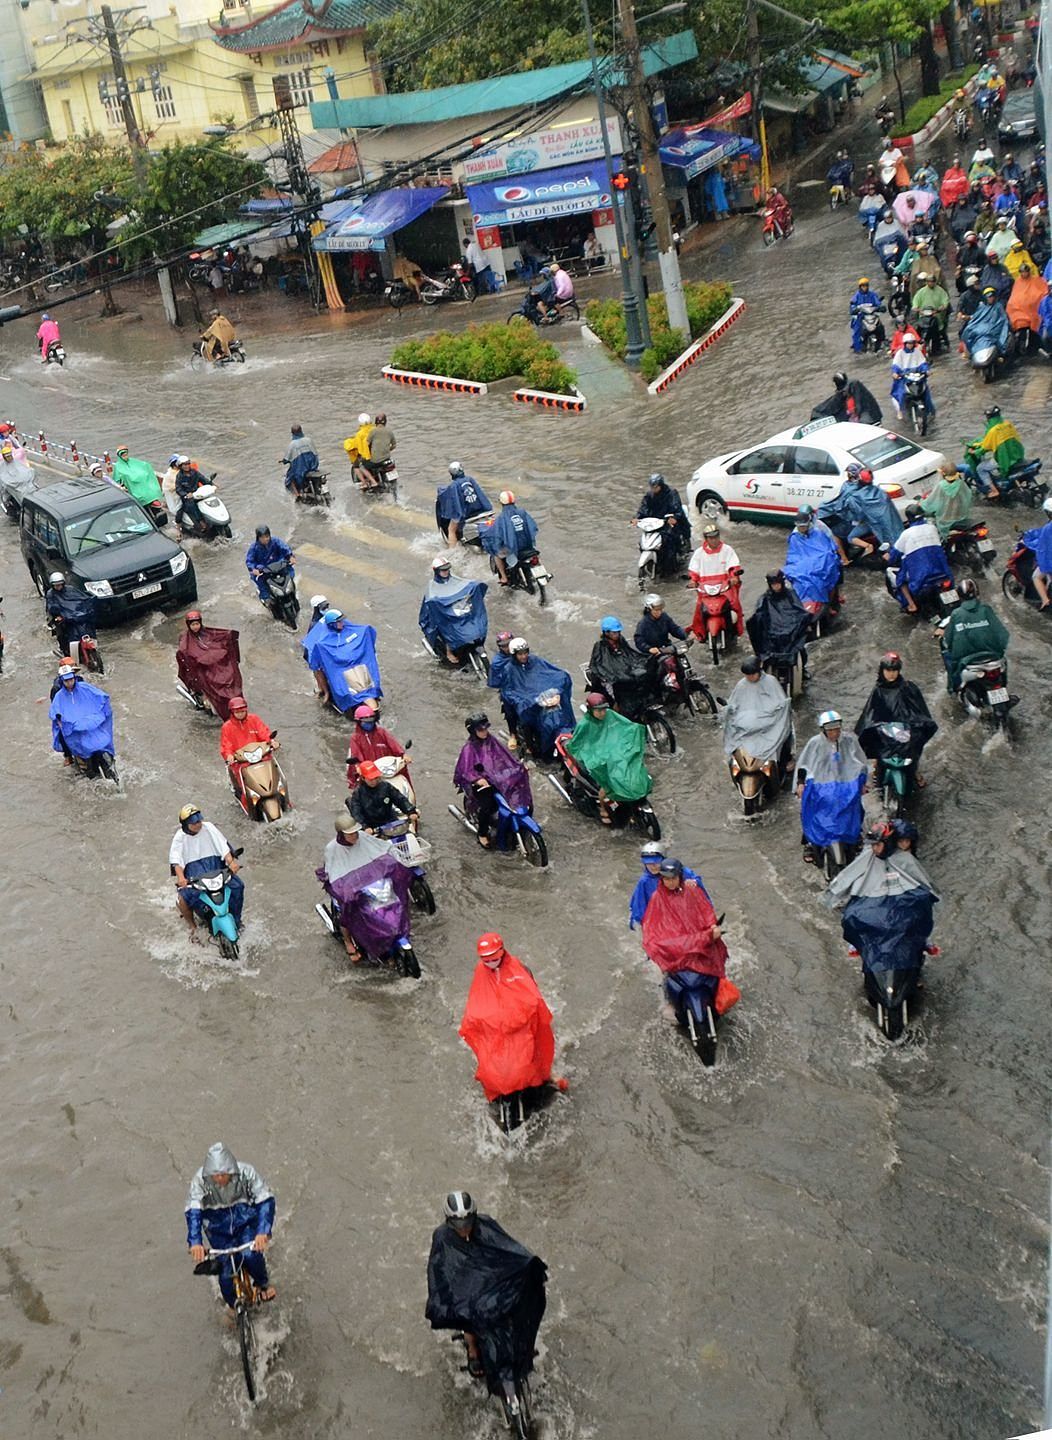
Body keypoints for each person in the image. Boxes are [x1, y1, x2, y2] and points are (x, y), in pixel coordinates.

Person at [425, 1191, 547, 1392]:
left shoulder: (487, 1226)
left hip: (489, 1282)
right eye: (458, 1225)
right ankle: (472, 1347)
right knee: (467, 1313)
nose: (463, 1229)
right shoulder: (442, 1237)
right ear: (449, 1222)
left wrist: (529, 1268)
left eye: (467, 1223)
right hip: (464, 1287)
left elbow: (510, 1249)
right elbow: (439, 1269)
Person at [460, 933, 561, 1097]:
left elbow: (533, 999)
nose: (491, 963)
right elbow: (477, 1000)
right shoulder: (481, 971)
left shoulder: (519, 969)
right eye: (486, 960)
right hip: (497, 1028)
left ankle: (546, 1077)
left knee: (534, 1053)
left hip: (521, 1025)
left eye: (494, 958)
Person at [185, 1142, 275, 1307]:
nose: (219, 1179)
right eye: (215, 1175)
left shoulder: (247, 1173)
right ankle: (234, 1308)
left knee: (251, 1256)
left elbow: (265, 1200)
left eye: (223, 1174)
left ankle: (263, 1284)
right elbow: (193, 1212)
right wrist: (195, 1242)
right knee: (226, 1274)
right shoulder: (199, 1181)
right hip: (217, 1229)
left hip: (245, 1222)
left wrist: (262, 1231)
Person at [316, 812, 411, 961]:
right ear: (341, 835)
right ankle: (349, 942)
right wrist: (344, 891)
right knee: (346, 913)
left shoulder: (363, 838)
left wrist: (396, 862)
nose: (355, 836)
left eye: (355, 832)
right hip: (351, 891)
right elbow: (334, 874)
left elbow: (383, 848)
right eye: (350, 834)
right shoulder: (332, 849)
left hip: (371, 885)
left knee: (394, 900)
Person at [640, 859, 729, 1017]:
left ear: (680, 876)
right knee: (664, 973)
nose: (670, 882)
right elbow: (652, 928)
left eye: (673, 878)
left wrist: (712, 927)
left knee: (716, 959)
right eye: (666, 879)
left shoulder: (692, 891)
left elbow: (706, 911)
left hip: (697, 944)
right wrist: (656, 946)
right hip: (676, 949)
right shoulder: (656, 899)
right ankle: (669, 1000)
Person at [565, 692, 652, 824]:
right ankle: (603, 808)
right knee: (605, 788)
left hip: (614, 754)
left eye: (604, 709)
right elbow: (576, 745)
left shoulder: (611, 715)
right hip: (597, 758)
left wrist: (637, 732)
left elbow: (627, 727)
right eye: (598, 711)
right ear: (590, 710)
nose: (602, 713)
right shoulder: (585, 725)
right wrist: (592, 756)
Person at [795, 710, 868, 864]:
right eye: (830, 730)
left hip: (845, 785)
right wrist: (801, 784)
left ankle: (856, 834)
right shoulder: (815, 743)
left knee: (855, 808)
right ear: (823, 730)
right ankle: (808, 842)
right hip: (820, 786)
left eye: (837, 729)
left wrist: (863, 783)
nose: (834, 733)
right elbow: (804, 765)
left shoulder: (849, 741)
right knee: (808, 810)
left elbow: (860, 762)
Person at [453, 714, 533, 846]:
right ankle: (482, 833)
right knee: (487, 806)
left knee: (518, 792)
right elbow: (466, 770)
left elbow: (506, 758)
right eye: (480, 730)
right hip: (482, 783)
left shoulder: (492, 741)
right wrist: (478, 779)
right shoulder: (469, 749)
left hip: (498, 779)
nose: (484, 732)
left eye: (485, 729)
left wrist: (519, 767)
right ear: (473, 731)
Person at [856, 652, 937, 777]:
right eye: (888, 670)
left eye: (894, 670)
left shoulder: (908, 688)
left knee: (915, 741)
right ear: (882, 671)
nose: (891, 673)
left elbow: (919, 711)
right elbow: (871, 714)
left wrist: (915, 723)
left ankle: (914, 769)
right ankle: (878, 762)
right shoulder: (878, 691)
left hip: (905, 729)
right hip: (886, 730)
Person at [169, 803, 243, 940]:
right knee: (183, 899)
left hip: (215, 869)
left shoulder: (209, 827)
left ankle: (237, 919)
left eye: (199, 820)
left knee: (238, 886)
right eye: (194, 823)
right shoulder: (180, 837)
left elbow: (223, 847)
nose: (198, 824)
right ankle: (193, 927)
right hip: (195, 874)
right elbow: (177, 861)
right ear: (186, 825)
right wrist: (181, 878)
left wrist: (231, 862)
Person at [497, 639, 574, 758]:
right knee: (526, 719)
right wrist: (528, 701)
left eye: (525, 653)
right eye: (520, 654)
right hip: (527, 703)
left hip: (543, 699)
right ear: (514, 655)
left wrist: (557, 692)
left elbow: (555, 674)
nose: (523, 656)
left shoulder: (536, 661)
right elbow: (509, 692)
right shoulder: (509, 669)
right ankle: (529, 746)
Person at [937, 577, 1009, 692]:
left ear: (959, 596)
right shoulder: (986, 610)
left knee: (950, 663)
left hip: (969, 663)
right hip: (993, 659)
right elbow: (1003, 635)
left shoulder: (957, 614)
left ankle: (953, 689)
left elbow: (949, 639)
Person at [303, 608, 382, 712]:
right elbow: (315, 663)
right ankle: (325, 692)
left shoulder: (350, 628)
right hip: (336, 667)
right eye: (339, 621)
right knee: (319, 672)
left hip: (354, 666)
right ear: (332, 624)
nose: (342, 623)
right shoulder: (322, 642)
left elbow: (364, 633)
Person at [722, 656, 793, 770]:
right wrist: (728, 710)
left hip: (769, 724)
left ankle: (786, 761)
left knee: (784, 732)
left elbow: (781, 704)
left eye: (752, 674)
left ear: (759, 671)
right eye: (747, 675)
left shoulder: (771, 682)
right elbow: (735, 704)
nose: (749, 678)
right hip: (747, 728)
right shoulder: (741, 685)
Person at [419, 555, 488, 667]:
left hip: (457, 611)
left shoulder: (455, 580)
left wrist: (476, 586)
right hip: (444, 616)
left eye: (447, 569)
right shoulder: (432, 588)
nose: (446, 572)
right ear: (436, 571)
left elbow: (467, 585)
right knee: (445, 626)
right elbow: (430, 602)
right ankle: (449, 651)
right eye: (443, 570)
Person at [886, 504, 954, 613]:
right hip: (943, 573)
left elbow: (894, 556)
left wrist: (888, 556)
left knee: (900, 578)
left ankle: (911, 605)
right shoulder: (932, 528)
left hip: (921, 578)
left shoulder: (906, 534)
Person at [176, 610, 243, 718]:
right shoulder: (185, 640)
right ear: (188, 625)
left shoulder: (209, 633)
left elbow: (221, 640)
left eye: (197, 624)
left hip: (213, 667)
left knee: (229, 679)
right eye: (193, 624)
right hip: (200, 671)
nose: (195, 627)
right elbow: (184, 654)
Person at [587, 616, 654, 719]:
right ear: (607, 633)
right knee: (616, 697)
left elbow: (630, 655)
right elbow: (599, 666)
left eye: (618, 632)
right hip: (608, 680)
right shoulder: (600, 646)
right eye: (614, 633)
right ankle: (616, 714)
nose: (617, 635)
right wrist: (613, 676)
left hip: (622, 674)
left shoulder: (621, 641)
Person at [629, 842, 706, 928]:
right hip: (662, 922)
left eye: (655, 862)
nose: (652, 866)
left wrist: (694, 882)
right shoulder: (644, 882)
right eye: (648, 863)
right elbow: (639, 907)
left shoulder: (679, 871)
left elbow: (697, 883)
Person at [746, 568, 812, 668]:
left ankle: (802, 668)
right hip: (772, 635)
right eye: (773, 584)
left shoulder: (791, 595)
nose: (776, 586)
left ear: (782, 582)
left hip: (791, 633)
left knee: (799, 646)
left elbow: (799, 611)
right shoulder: (764, 599)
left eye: (777, 583)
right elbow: (759, 615)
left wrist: (805, 621)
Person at [49, 666, 113, 767]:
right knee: (64, 735)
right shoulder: (58, 695)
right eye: (66, 680)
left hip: (89, 721)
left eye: (71, 679)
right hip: (72, 726)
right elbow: (55, 710)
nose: (69, 682)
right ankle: (70, 757)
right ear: (62, 680)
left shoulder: (85, 687)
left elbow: (100, 696)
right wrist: (61, 721)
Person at [688, 523, 743, 639]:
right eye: (711, 538)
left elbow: (733, 566)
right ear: (706, 539)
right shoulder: (699, 553)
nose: (714, 540)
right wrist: (693, 581)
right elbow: (694, 571)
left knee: (735, 605)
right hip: (706, 590)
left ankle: (737, 631)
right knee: (699, 608)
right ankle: (700, 633)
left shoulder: (727, 550)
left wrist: (733, 577)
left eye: (716, 537)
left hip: (724, 589)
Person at [784, 506, 842, 608]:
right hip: (803, 564)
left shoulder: (819, 531)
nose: (801, 529)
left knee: (830, 574)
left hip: (822, 562)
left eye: (803, 526)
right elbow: (793, 555)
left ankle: (830, 604)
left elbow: (827, 549)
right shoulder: (795, 536)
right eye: (799, 527)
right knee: (796, 577)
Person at [634, 472, 689, 576]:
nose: (653, 489)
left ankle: (674, 564)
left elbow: (676, 508)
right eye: (652, 487)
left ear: (661, 485)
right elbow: (643, 508)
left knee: (670, 541)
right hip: (654, 524)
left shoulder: (671, 493)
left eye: (655, 487)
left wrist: (672, 517)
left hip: (667, 523)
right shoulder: (649, 496)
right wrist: (637, 518)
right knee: (642, 543)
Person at [219, 695, 277, 795]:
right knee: (243, 788)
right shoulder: (227, 727)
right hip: (241, 762)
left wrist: (271, 741)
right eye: (237, 712)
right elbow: (226, 744)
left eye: (242, 711)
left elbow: (264, 733)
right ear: (232, 713)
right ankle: (247, 801)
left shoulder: (254, 719)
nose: (240, 714)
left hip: (260, 756)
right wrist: (229, 755)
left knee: (276, 776)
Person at [478, 490, 538, 585]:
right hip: (526, 545)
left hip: (513, 548)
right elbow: (533, 528)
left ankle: (504, 577)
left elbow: (495, 534)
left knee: (496, 554)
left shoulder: (502, 518)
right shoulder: (522, 512)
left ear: (501, 502)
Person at [347, 758, 418, 834]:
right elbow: (357, 814)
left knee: (411, 836)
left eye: (376, 778)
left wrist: (410, 811)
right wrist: (365, 827)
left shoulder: (386, 786)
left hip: (390, 822)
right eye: (371, 779)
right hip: (371, 827)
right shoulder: (358, 793)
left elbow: (400, 799)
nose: (374, 781)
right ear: (363, 778)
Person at [970, 405, 1026, 497]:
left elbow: (985, 448)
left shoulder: (993, 431)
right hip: (1016, 456)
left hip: (1003, 459)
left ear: (989, 418)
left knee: (980, 468)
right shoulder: (1008, 424)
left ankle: (994, 491)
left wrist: (975, 452)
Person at [347, 704, 406, 790]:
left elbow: (394, 745)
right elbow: (356, 754)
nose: (369, 724)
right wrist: (359, 766)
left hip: (385, 769)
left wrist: (403, 755)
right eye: (365, 722)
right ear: (359, 722)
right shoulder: (355, 738)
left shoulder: (382, 732)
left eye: (371, 721)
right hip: (368, 772)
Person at [435, 462, 492, 546]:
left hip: (466, 513)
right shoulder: (470, 479)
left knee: (451, 529)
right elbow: (480, 493)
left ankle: (452, 551)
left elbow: (454, 500)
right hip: (480, 510)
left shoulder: (454, 485)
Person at [44, 573, 96, 655]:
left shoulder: (71, 589)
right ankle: (64, 650)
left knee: (88, 625)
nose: (58, 587)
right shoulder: (51, 594)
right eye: (56, 585)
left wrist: (86, 608)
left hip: (74, 615)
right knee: (60, 632)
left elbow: (81, 599)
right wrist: (57, 615)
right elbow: (51, 607)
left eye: (60, 584)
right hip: (61, 617)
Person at [920, 458, 973, 538]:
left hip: (945, 522)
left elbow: (930, 504)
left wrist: (921, 504)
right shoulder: (961, 484)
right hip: (961, 517)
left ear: (943, 474)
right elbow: (968, 497)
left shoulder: (941, 486)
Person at [812, 369, 883, 425]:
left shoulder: (857, 389)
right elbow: (829, 407)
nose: (844, 392)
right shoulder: (841, 397)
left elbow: (865, 411)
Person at [889, 333, 934, 422]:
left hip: (917, 377)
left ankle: (930, 411)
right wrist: (895, 373)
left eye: (912, 343)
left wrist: (926, 371)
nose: (910, 345)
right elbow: (896, 366)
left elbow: (923, 364)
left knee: (926, 393)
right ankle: (900, 410)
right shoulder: (900, 353)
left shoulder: (917, 352)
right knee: (900, 393)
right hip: (904, 379)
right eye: (908, 343)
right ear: (905, 344)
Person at [245, 524, 294, 603]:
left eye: (267, 536)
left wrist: (290, 556)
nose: (265, 539)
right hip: (264, 569)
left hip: (278, 565)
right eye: (262, 537)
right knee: (260, 581)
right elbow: (249, 561)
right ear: (258, 538)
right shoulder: (254, 548)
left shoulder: (275, 541)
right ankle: (265, 597)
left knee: (290, 572)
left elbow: (284, 548)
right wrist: (253, 569)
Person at [1007, 263, 1048, 343]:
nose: (1024, 273)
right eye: (1022, 272)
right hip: (1019, 310)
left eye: (1025, 272)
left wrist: (1034, 298)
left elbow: (1044, 291)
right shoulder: (1018, 281)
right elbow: (1014, 295)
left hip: (1032, 309)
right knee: (1018, 320)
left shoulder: (1036, 280)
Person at [174, 455, 211, 534]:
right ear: (181, 466)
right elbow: (178, 489)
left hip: (198, 494)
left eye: (188, 464)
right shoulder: (179, 476)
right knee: (189, 505)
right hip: (187, 497)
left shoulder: (194, 472)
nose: (187, 466)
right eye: (184, 464)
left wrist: (212, 485)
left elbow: (203, 479)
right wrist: (186, 494)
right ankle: (201, 522)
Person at [910, 275, 951, 346]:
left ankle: (937, 345)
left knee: (937, 329)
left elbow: (945, 301)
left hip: (936, 315)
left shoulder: (940, 291)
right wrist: (918, 309)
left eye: (932, 282)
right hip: (924, 315)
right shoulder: (921, 292)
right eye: (929, 282)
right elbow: (915, 302)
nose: (931, 283)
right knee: (917, 328)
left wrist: (941, 308)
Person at [848, 280, 887, 355]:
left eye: (866, 286)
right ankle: (858, 348)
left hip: (872, 315)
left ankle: (882, 341)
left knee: (880, 326)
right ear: (860, 287)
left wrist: (881, 307)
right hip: (861, 316)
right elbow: (852, 305)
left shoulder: (872, 295)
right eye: (863, 286)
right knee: (857, 330)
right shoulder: (856, 296)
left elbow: (878, 303)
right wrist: (854, 309)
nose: (865, 287)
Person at [282, 424, 319, 498]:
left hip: (301, 469)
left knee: (290, 478)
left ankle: (297, 495)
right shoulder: (309, 440)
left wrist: (284, 461)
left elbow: (286, 458)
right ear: (301, 431)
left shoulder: (292, 444)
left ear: (292, 433)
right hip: (312, 466)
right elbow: (315, 453)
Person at [343, 412, 375, 489]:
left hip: (367, 457)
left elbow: (360, 448)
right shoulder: (375, 429)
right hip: (378, 455)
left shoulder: (360, 434)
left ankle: (364, 482)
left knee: (356, 466)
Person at [364, 412, 396, 487]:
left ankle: (372, 482)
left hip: (376, 460)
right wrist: (388, 449)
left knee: (362, 465)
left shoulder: (373, 431)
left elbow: (367, 443)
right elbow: (394, 445)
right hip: (387, 459)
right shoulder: (390, 431)